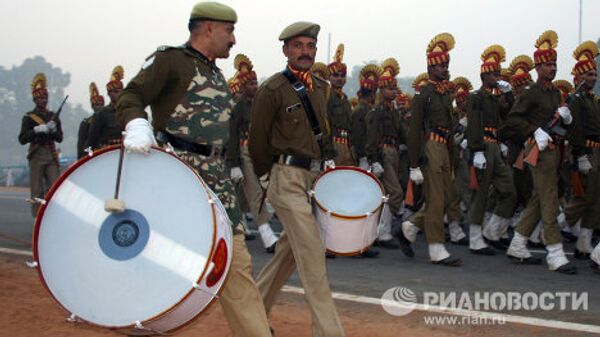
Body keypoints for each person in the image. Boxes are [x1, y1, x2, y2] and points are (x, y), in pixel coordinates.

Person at [116, 2, 272, 336]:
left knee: (234, 262)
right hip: (179, 180)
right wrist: (137, 125)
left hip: (217, 180)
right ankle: (139, 324)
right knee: (161, 264)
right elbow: (130, 96)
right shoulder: (171, 61)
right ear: (209, 28)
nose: (233, 39)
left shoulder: (216, 72)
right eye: (229, 31)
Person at [249, 21, 345, 337]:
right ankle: (329, 332)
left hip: (313, 176)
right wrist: (267, 178)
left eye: (310, 46)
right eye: (298, 46)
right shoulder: (272, 89)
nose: (305, 52)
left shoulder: (321, 87)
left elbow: (324, 131)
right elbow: (257, 140)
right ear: (286, 50)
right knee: (313, 253)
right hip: (286, 177)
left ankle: (251, 317)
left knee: (288, 255)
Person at [503, 30, 576, 274]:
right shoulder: (530, 92)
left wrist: (565, 119)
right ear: (538, 67)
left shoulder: (556, 93)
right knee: (549, 198)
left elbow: (560, 125)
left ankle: (518, 243)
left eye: (554, 64)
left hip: (553, 150)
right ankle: (555, 253)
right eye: (547, 65)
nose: (552, 68)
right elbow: (513, 119)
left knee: (538, 197)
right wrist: (534, 131)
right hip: (539, 150)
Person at [398, 33, 462, 266]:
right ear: (430, 67)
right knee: (436, 199)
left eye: (446, 65)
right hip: (432, 147)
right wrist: (414, 164)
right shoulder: (424, 95)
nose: (444, 69)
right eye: (440, 66)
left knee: (446, 197)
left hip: (444, 147)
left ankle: (410, 226)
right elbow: (414, 131)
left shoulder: (443, 94)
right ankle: (436, 247)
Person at [465, 44, 516, 256]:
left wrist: (509, 93)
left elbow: (507, 114)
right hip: (483, 145)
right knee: (481, 195)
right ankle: (476, 239)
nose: (497, 77)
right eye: (494, 74)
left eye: (498, 73)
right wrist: (476, 150)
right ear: (484, 76)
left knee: (509, 191)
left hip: (495, 145)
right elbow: (474, 123)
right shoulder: (476, 96)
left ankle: (491, 231)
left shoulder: (495, 98)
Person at [228, 53, 279, 253]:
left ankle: (237, 224)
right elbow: (232, 135)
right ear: (242, 86)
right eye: (250, 83)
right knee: (255, 192)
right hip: (244, 150)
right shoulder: (239, 106)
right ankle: (267, 235)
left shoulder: (261, 103)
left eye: (256, 82)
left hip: (261, 150)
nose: (254, 86)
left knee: (245, 194)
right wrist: (234, 164)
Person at [564, 40, 599, 262]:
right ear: (579, 77)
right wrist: (581, 155)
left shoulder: (593, 100)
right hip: (586, 151)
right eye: (589, 75)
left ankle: (584, 243)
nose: (593, 78)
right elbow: (576, 129)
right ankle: (554, 223)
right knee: (584, 197)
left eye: (595, 75)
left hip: (597, 151)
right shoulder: (575, 99)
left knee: (596, 200)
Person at [365, 58, 406, 248]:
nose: (394, 92)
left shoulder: (393, 111)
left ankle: (380, 231)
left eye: (394, 88)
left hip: (394, 152)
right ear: (381, 90)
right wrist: (374, 160)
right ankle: (383, 232)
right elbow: (372, 138)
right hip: (383, 153)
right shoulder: (378, 112)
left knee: (386, 193)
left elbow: (401, 134)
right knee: (394, 193)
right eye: (390, 88)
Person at [18, 73, 63, 217]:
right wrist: (36, 130)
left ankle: (53, 216)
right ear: (35, 99)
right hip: (36, 154)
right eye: (40, 98)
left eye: (45, 98)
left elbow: (60, 138)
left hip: (51, 153)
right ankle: (37, 218)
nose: (43, 101)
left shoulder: (53, 116)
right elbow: (22, 139)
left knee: (55, 187)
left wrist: (54, 129)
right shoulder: (29, 117)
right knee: (37, 190)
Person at [88, 66, 125, 150]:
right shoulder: (101, 114)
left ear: (122, 92)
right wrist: (89, 156)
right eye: (111, 92)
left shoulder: (129, 111)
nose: (114, 94)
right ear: (108, 94)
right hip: (107, 154)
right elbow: (91, 142)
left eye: (116, 91)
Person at [77, 82, 105, 159]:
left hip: (104, 152)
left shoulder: (106, 120)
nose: (99, 107)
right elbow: (82, 143)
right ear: (92, 106)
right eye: (97, 105)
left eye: (101, 105)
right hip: (90, 152)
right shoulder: (86, 123)